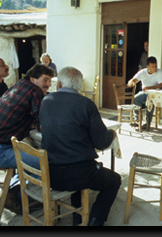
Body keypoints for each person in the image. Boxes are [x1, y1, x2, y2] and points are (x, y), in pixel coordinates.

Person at [39, 66, 121, 226]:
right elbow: (101, 142)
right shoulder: (86, 104)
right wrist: (112, 133)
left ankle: (78, 217)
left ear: (59, 85)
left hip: (50, 174)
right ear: (79, 86)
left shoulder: (46, 101)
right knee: (114, 180)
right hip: (81, 175)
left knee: (76, 165)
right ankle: (95, 222)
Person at [0, 64, 54, 212]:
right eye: (45, 80)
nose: (48, 84)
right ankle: (21, 198)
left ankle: (10, 194)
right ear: (33, 79)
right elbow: (42, 124)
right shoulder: (34, 91)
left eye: (50, 81)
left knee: (29, 156)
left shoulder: (19, 85)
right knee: (45, 163)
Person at [127, 56, 162, 130]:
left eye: (156, 66)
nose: (155, 68)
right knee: (135, 99)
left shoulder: (159, 71)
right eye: (153, 66)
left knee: (150, 102)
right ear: (148, 67)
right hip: (145, 93)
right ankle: (137, 120)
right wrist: (131, 82)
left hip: (155, 95)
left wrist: (149, 88)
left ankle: (147, 123)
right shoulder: (143, 72)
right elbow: (133, 80)